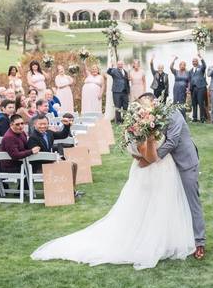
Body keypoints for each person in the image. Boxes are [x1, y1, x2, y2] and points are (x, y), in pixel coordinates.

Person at [32, 94, 201, 268]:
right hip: (154, 170)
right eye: (143, 108)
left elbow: (168, 143)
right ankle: (151, 240)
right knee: (151, 206)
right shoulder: (141, 130)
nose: (147, 110)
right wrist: (150, 150)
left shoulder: (164, 117)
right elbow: (147, 156)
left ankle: (178, 239)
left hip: (167, 167)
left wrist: (149, 155)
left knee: (167, 205)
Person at [188, 55, 208, 122]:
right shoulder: (190, 71)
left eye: (195, 61)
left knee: (200, 103)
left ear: (198, 62)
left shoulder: (201, 68)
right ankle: (195, 118)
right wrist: (188, 88)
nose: (194, 62)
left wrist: (201, 58)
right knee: (194, 104)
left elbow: (205, 65)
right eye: (193, 61)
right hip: (193, 89)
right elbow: (189, 80)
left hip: (200, 88)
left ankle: (202, 118)